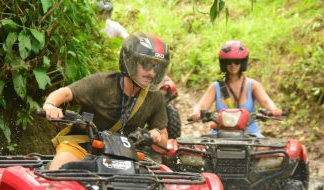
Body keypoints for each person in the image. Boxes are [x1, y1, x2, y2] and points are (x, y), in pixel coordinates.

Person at [43, 32, 170, 169]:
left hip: (124, 154)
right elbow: (65, 93)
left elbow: (163, 145)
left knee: (162, 179)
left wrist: (157, 136)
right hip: (82, 146)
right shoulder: (102, 83)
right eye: (146, 65)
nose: (152, 73)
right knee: (57, 172)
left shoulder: (154, 97)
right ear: (130, 61)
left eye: (156, 67)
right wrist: (50, 106)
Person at [189, 40, 282, 137]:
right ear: (224, 63)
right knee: (202, 150)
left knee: (269, 151)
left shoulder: (253, 85)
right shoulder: (216, 86)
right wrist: (196, 113)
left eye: (237, 61)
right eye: (228, 62)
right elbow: (202, 105)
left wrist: (273, 109)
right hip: (220, 134)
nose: (233, 65)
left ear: (242, 63)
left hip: (250, 134)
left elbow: (266, 101)